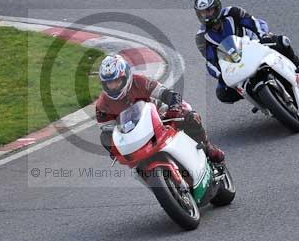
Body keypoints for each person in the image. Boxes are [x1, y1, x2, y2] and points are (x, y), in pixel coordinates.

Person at [95, 53, 225, 163]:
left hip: (159, 117)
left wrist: (174, 109)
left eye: (117, 81)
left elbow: (170, 95)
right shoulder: (102, 105)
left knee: (191, 116)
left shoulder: (141, 82)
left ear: (126, 76)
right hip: (133, 134)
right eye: (109, 83)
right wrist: (115, 150)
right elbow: (107, 132)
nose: (114, 86)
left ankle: (207, 146)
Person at [193, 0, 299, 105]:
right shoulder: (201, 37)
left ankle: (296, 62)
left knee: (282, 41)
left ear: (217, 7)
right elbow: (210, 61)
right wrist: (220, 74)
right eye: (202, 13)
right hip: (233, 62)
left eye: (209, 10)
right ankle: (258, 96)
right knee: (222, 93)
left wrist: (263, 36)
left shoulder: (233, 12)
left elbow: (254, 23)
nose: (206, 15)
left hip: (254, 45)